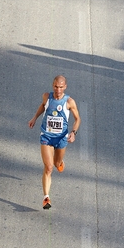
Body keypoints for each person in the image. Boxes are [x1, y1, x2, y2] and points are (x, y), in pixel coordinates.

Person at [28, 75, 81, 209]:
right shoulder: (47, 96)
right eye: (56, 87)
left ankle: (60, 162)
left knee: (57, 164)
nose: (58, 90)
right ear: (53, 86)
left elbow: (77, 119)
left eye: (61, 87)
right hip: (46, 136)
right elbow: (42, 106)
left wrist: (73, 133)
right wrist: (34, 118)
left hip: (61, 138)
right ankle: (46, 198)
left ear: (65, 87)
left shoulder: (69, 101)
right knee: (49, 167)